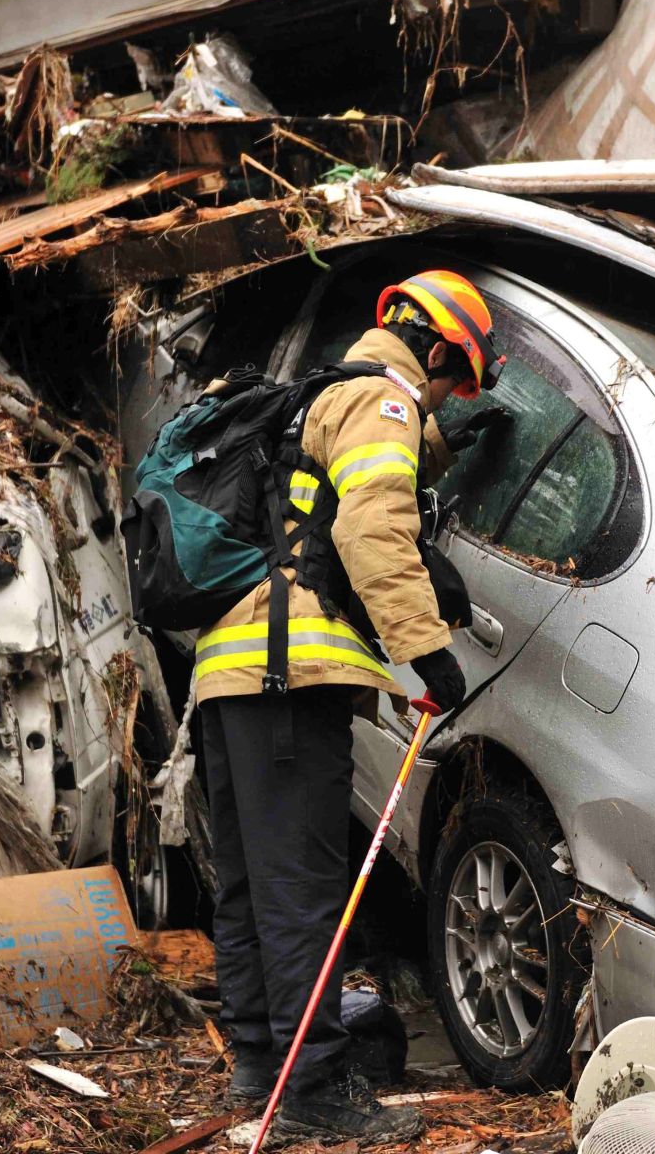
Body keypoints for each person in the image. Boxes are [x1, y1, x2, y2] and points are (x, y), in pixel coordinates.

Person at [196, 270, 505, 1141]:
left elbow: (329, 486)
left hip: (230, 672)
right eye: (455, 379)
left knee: (252, 888)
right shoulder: (385, 404)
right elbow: (368, 526)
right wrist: (426, 651)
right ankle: (319, 1094)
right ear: (439, 349)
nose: (447, 395)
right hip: (292, 673)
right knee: (301, 891)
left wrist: (443, 444)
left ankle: (262, 1072)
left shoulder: (314, 396)